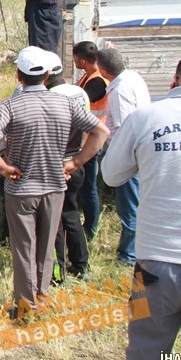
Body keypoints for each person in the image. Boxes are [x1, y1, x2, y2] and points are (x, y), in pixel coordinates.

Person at [0, 46, 108, 317]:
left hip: (21, 188)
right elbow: (100, 131)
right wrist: (75, 162)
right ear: (47, 76)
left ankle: (25, 307)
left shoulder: (12, 105)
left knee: (24, 248)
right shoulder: (66, 103)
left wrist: (1, 166)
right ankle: (42, 298)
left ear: (17, 76)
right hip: (54, 185)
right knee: (47, 247)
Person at [100, 53, 181, 360]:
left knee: (147, 359)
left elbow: (111, 174)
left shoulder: (146, 118)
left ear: (173, 81)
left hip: (154, 264)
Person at [96, 47, 150, 266]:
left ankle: (129, 254)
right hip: (141, 151)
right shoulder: (133, 77)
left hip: (130, 155)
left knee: (130, 205)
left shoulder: (119, 92)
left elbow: (123, 129)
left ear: (103, 69)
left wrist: (115, 157)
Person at [43, 51, 90, 282]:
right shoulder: (79, 92)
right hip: (75, 160)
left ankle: (57, 273)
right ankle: (81, 265)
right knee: (71, 213)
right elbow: (89, 127)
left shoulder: (49, 96)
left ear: (47, 73)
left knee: (55, 221)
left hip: (56, 164)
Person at [72, 41, 109, 240]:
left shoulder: (98, 81)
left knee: (89, 186)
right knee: (85, 185)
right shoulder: (88, 77)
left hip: (92, 140)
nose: (74, 61)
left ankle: (91, 228)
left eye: (75, 58)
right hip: (87, 137)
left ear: (83, 60)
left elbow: (81, 105)